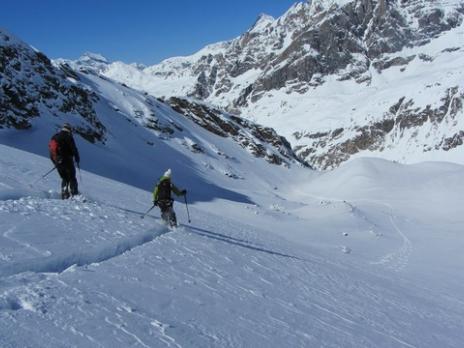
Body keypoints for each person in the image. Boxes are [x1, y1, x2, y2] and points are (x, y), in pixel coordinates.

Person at [49, 123, 80, 199]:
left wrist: (56, 161)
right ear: (69, 129)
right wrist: (77, 159)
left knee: (64, 178)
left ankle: (64, 193)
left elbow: (51, 149)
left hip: (57, 161)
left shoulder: (55, 136)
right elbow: (74, 149)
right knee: (72, 177)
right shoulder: (68, 137)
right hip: (67, 160)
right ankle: (74, 195)